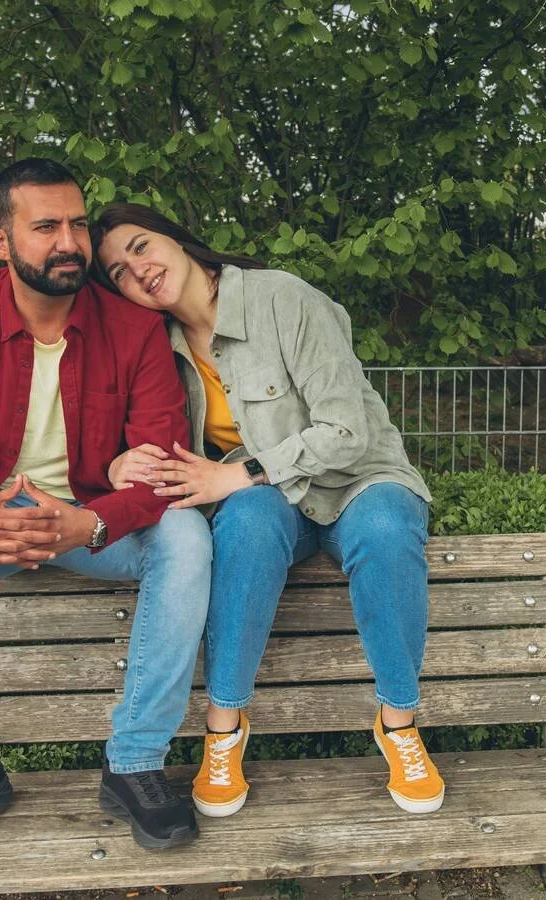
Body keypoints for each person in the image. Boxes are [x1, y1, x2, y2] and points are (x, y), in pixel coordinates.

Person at [0, 160, 211, 860]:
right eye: (46, 226)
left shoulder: (133, 327)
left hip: (92, 524)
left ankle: (136, 761)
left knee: (187, 534)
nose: (70, 243)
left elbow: (163, 463)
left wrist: (87, 521)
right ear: (0, 241)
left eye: (78, 224)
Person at [91, 203, 445, 820]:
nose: (138, 271)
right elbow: (139, 436)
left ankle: (399, 723)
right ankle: (224, 729)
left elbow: (347, 432)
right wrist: (117, 464)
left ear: (177, 238)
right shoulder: (159, 348)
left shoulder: (283, 299)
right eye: (118, 272)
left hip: (360, 479)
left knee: (387, 529)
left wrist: (239, 472)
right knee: (248, 523)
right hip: (274, 501)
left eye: (142, 247)